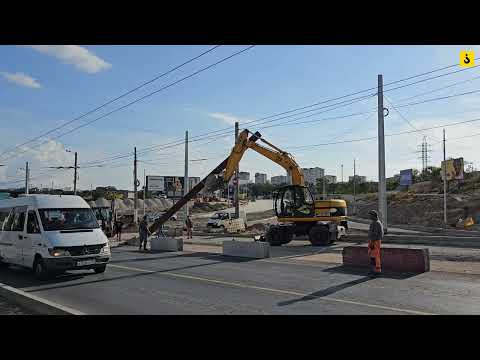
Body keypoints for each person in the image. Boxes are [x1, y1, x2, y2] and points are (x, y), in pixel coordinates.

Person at [367, 209, 383, 276]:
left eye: (370, 215)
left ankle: (376, 271)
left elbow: (375, 234)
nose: (369, 217)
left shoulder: (376, 223)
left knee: (374, 257)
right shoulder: (375, 222)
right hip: (374, 241)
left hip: (375, 241)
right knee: (373, 256)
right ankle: (373, 270)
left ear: (374, 216)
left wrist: (372, 243)